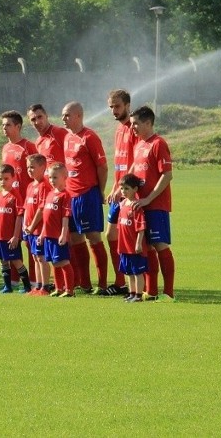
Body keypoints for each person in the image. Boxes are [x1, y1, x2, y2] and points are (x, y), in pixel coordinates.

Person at [128, 105, 175, 303]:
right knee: (145, 248)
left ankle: (169, 293)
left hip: (156, 205)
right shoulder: (139, 145)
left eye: (136, 124)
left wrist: (149, 198)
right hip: (140, 205)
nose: (133, 128)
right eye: (131, 124)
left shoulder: (158, 143)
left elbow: (167, 175)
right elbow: (132, 173)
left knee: (160, 245)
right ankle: (151, 290)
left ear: (148, 123)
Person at [61, 101, 109, 294]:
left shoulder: (90, 137)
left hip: (87, 194)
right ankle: (85, 283)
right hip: (71, 195)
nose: (63, 118)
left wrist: (99, 190)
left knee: (93, 237)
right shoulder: (67, 138)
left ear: (79, 116)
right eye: (63, 115)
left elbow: (102, 167)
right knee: (74, 238)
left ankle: (103, 284)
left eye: (67, 115)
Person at [0, 110, 39, 287]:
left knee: (30, 243)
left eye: (8, 125)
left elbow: (37, 173)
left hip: (28, 203)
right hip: (12, 204)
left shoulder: (28, 146)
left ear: (18, 126)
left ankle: (35, 279)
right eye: (3, 125)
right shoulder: (5, 148)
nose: (4, 128)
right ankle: (15, 280)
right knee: (12, 241)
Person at [104, 89, 137, 296]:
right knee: (111, 234)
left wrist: (123, 189)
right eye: (111, 107)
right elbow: (119, 163)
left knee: (131, 238)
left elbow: (135, 162)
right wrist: (114, 187)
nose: (113, 110)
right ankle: (120, 280)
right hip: (118, 190)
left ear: (127, 105)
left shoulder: (133, 128)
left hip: (130, 192)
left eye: (117, 106)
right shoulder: (118, 130)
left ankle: (136, 283)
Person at [0, 164, 31, 293]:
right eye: (0, 179)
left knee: (16, 261)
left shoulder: (15, 196)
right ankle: (7, 286)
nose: (3, 181)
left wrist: (15, 236)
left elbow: (19, 217)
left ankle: (27, 286)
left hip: (10, 237)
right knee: (3, 262)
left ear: (13, 179)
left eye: (6, 178)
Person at [37, 163, 74, 298]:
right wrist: (41, 234)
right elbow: (46, 218)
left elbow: (65, 217)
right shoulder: (50, 194)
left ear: (65, 177)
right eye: (50, 177)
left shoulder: (65, 195)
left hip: (58, 235)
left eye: (55, 177)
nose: (52, 180)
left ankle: (69, 290)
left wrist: (64, 234)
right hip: (48, 235)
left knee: (63, 262)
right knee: (54, 262)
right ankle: (58, 288)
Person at [115, 173, 148, 302]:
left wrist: (139, 243)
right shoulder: (122, 204)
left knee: (137, 272)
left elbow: (141, 228)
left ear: (135, 189)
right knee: (128, 271)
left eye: (127, 188)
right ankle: (132, 292)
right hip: (124, 246)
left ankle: (139, 295)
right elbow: (120, 227)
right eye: (122, 188)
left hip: (134, 246)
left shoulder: (136, 206)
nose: (123, 191)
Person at [22, 154, 51, 295]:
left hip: (39, 228)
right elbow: (28, 207)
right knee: (35, 257)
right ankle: (38, 286)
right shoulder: (30, 185)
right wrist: (25, 225)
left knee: (41, 257)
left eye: (32, 167)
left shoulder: (44, 185)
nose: (29, 170)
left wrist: (32, 226)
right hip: (30, 229)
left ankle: (45, 286)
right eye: (28, 167)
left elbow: (41, 209)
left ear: (43, 167)